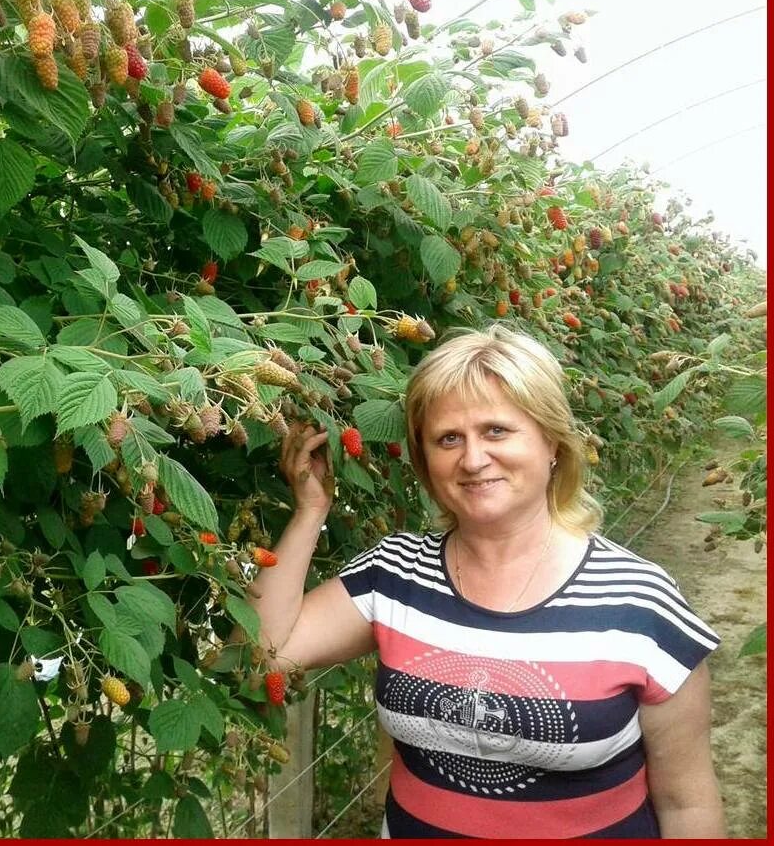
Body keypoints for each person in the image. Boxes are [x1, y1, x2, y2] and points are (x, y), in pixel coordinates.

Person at [250, 324, 725, 838]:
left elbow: (686, 805)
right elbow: (263, 659)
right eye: (448, 438)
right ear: (426, 462)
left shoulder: (641, 603)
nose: (473, 459)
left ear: (553, 444)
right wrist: (310, 511)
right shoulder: (394, 575)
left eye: (496, 430)